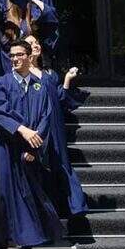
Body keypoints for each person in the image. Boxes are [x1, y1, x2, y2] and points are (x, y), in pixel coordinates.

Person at [0, 39, 63, 249]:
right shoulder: (2, 83)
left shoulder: (40, 87)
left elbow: (45, 119)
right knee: (3, 201)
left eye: (20, 55)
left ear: (30, 57)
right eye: (12, 55)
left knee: (29, 204)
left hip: (29, 156)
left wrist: (34, 148)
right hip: (6, 152)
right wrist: (22, 130)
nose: (15, 59)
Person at [28, 34, 87, 218]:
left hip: (55, 125)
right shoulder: (21, 76)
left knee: (61, 163)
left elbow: (61, 98)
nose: (36, 45)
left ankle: (74, 207)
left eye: (37, 42)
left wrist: (67, 79)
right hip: (35, 126)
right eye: (31, 43)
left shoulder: (50, 74)